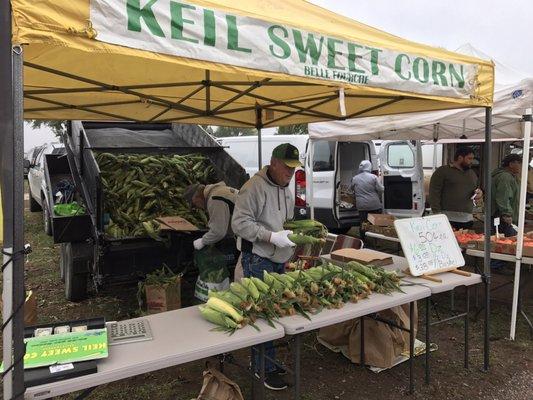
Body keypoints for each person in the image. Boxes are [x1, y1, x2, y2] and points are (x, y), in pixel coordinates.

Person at [232, 143, 301, 391]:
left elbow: (286, 221)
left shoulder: (286, 189)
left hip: (278, 258)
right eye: (287, 167)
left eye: (294, 168)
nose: (291, 173)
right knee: (262, 313)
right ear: (273, 163)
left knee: (275, 310)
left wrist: (290, 242)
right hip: (258, 258)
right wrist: (271, 237)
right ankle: (261, 367)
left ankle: (268, 361)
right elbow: (239, 224)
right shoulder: (253, 188)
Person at [429, 147, 482, 230]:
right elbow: (434, 193)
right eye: (469, 158)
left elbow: (476, 190)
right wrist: (437, 214)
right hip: (446, 218)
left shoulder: (472, 173)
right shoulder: (443, 171)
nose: (471, 161)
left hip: (466, 219)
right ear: (460, 158)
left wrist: (479, 193)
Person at [183, 182, 238, 250]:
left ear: (197, 197)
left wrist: (202, 241)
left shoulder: (215, 199)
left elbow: (218, 232)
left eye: (194, 205)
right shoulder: (219, 191)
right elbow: (228, 226)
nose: (197, 207)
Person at [350, 160, 384, 238]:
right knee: (375, 223)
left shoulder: (355, 178)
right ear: (369, 167)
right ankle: (375, 239)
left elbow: (351, 189)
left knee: (363, 223)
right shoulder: (374, 177)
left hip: (362, 206)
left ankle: (363, 239)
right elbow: (381, 189)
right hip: (374, 205)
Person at [491, 153, 522, 237]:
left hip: (501, 216)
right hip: (502, 217)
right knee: (505, 242)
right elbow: (503, 196)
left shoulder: (510, 176)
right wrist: (507, 214)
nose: (521, 166)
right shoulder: (505, 177)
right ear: (511, 164)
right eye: (519, 163)